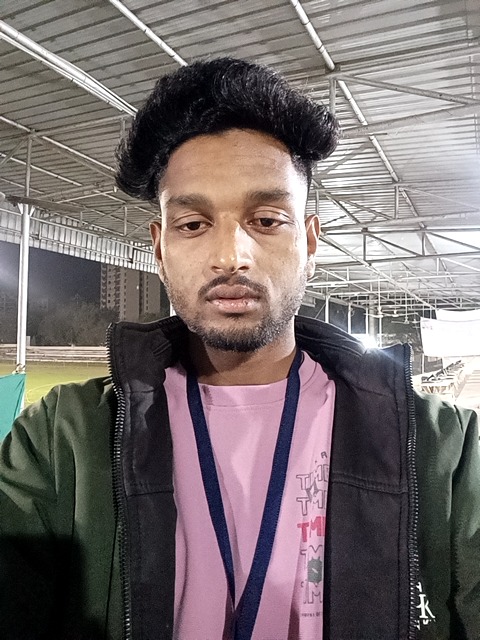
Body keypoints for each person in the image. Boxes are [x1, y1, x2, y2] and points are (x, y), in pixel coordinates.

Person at [0, 58, 479, 640]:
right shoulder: (61, 441)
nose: (231, 256)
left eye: (267, 219)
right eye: (193, 224)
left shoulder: (446, 450)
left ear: (309, 241)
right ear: (160, 248)